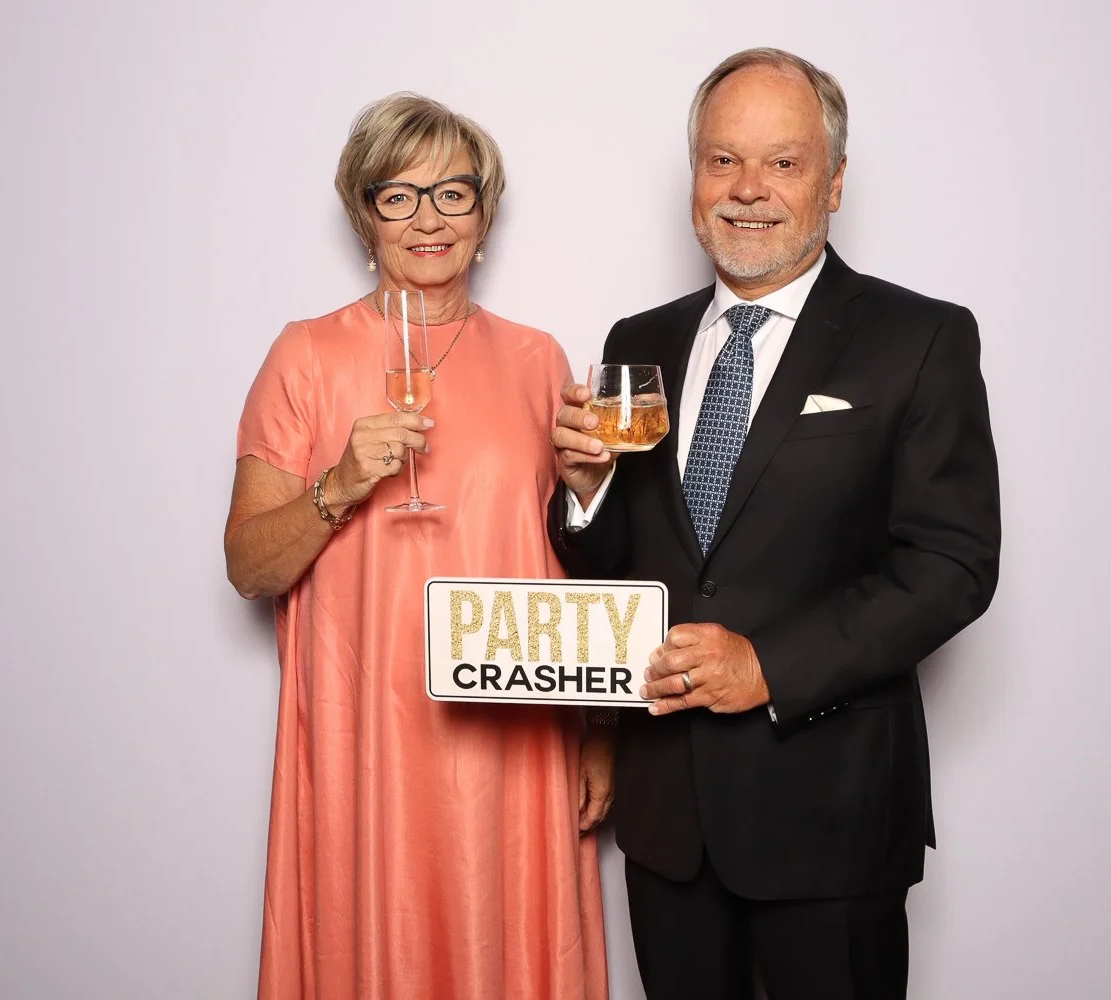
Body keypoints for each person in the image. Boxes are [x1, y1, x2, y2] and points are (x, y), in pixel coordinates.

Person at [549, 48, 1000, 999]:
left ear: (834, 182)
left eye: (783, 163)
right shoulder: (641, 342)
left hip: (830, 816)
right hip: (669, 815)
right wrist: (584, 494)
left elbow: (953, 565)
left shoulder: (920, 340)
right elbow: (622, 562)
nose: (747, 190)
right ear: (693, 180)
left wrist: (767, 666)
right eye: (722, 161)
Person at [225, 92, 610, 1000]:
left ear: (486, 213)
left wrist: (600, 734)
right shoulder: (306, 357)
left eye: (453, 193)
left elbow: (559, 560)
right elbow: (247, 567)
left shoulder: (537, 360)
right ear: (365, 215)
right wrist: (339, 486)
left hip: (512, 740)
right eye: (398, 195)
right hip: (368, 744)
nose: (428, 217)